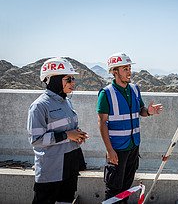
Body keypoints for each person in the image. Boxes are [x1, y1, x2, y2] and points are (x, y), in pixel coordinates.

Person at [97, 52, 163, 203]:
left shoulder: (134, 89)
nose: (129, 72)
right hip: (117, 149)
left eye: (129, 68)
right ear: (115, 71)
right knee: (114, 189)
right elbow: (102, 123)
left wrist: (149, 112)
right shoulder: (106, 93)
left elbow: (141, 111)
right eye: (125, 69)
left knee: (126, 188)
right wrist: (109, 150)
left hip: (133, 146)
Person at [27, 57, 89, 204]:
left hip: (70, 163)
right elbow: (36, 140)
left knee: (66, 200)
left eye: (73, 79)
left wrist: (77, 135)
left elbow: (67, 129)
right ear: (54, 80)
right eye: (68, 79)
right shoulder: (39, 106)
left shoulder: (66, 101)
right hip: (51, 168)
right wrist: (67, 135)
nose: (73, 83)